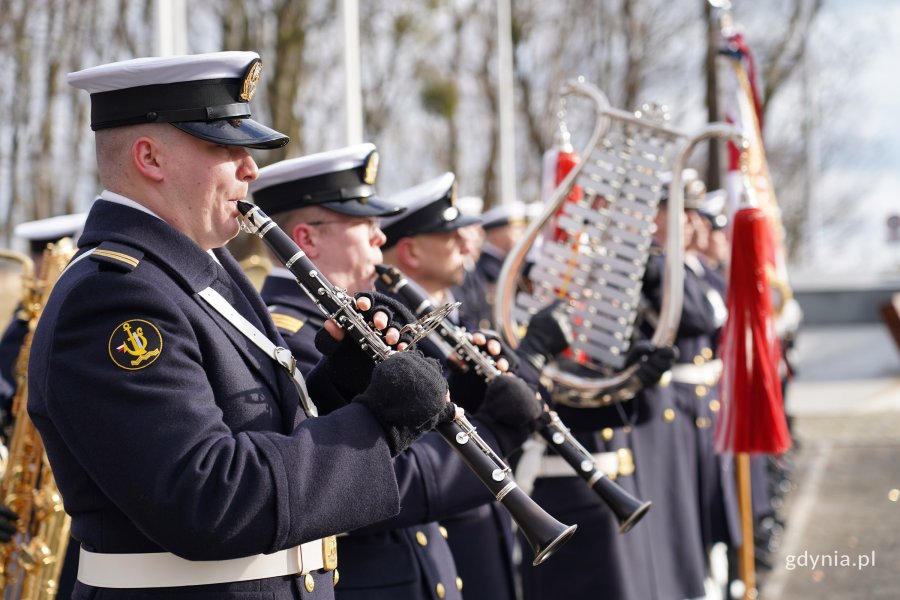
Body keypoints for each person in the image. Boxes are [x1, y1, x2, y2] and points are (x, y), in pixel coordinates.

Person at [27, 51, 455, 599]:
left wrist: (342, 385)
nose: (251, 168)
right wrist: (375, 425)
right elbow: (206, 495)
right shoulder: (116, 294)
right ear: (149, 157)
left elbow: (260, 432)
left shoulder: (194, 269)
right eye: (224, 148)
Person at [254, 146, 544, 600]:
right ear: (306, 240)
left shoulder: (355, 318)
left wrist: (466, 390)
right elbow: (381, 475)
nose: (380, 239)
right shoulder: (288, 334)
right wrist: (495, 433)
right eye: (364, 225)